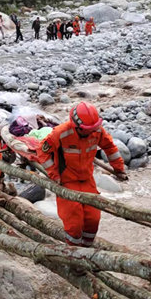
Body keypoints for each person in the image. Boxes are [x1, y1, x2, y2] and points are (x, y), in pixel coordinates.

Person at [38, 102, 128, 248]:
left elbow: (110, 147)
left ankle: (87, 249)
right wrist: (54, 174)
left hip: (87, 180)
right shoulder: (61, 133)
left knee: (93, 219)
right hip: (67, 181)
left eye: (93, 128)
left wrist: (118, 168)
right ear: (76, 125)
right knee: (74, 223)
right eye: (88, 129)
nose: (91, 132)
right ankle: (74, 252)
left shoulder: (97, 131)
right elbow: (42, 151)